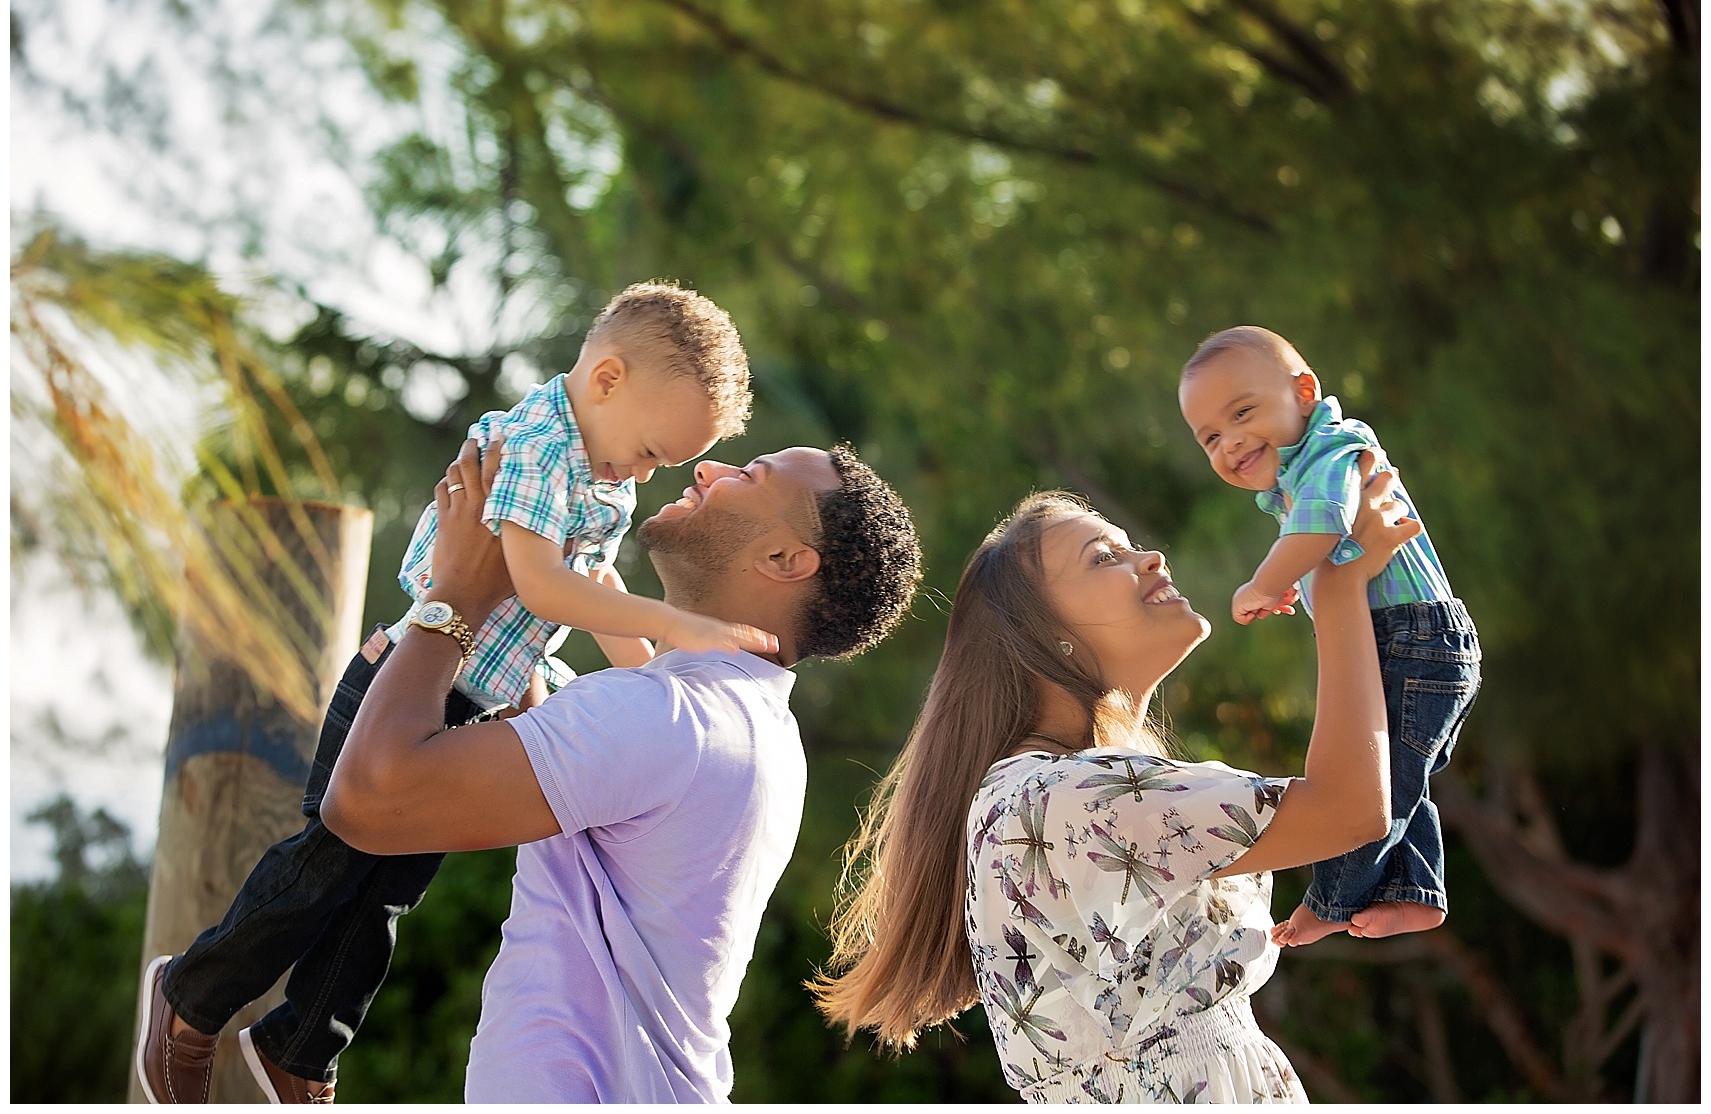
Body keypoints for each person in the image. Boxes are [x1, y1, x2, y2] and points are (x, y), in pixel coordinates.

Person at [135, 282, 777, 1103]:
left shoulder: (600, 470)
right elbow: (544, 587)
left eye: (662, 465)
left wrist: (652, 669)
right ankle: (189, 996)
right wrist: (677, 626)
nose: (646, 474)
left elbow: (589, 574)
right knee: (327, 867)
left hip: (468, 698)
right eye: (651, 452)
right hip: (403, 683)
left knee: (384, 897)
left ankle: (299, 1049)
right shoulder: (536, 446)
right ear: (608, 378)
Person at [322, 434, 920, 1101]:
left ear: (782, 558)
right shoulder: (757, 726)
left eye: (749, 474)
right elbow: (602, 783)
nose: (709, 465)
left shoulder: (663, 715)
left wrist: (456, 594)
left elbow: (366, 799)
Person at [813, 455, 1418, 1102]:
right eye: (1103, 557)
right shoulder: (1069, 797)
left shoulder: (1047, 793)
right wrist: (1337, 585)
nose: (1151, 557)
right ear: (1044, 635)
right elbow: (1347, 807)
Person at [1177, 325, 1480, 946]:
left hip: (1410, 638)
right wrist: (1299, 583)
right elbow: (1325, 546)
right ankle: (1417, 894)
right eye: (1210, 437)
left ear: (1304, 393)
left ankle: (1334, 901)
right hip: (1410, 641)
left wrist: (1261, 584)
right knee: (1400, 776)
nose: (1230, 441)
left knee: (1379, 778)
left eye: (1242, 413)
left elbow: (1329, 523)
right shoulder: (1298, 473)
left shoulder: (1333, 449)